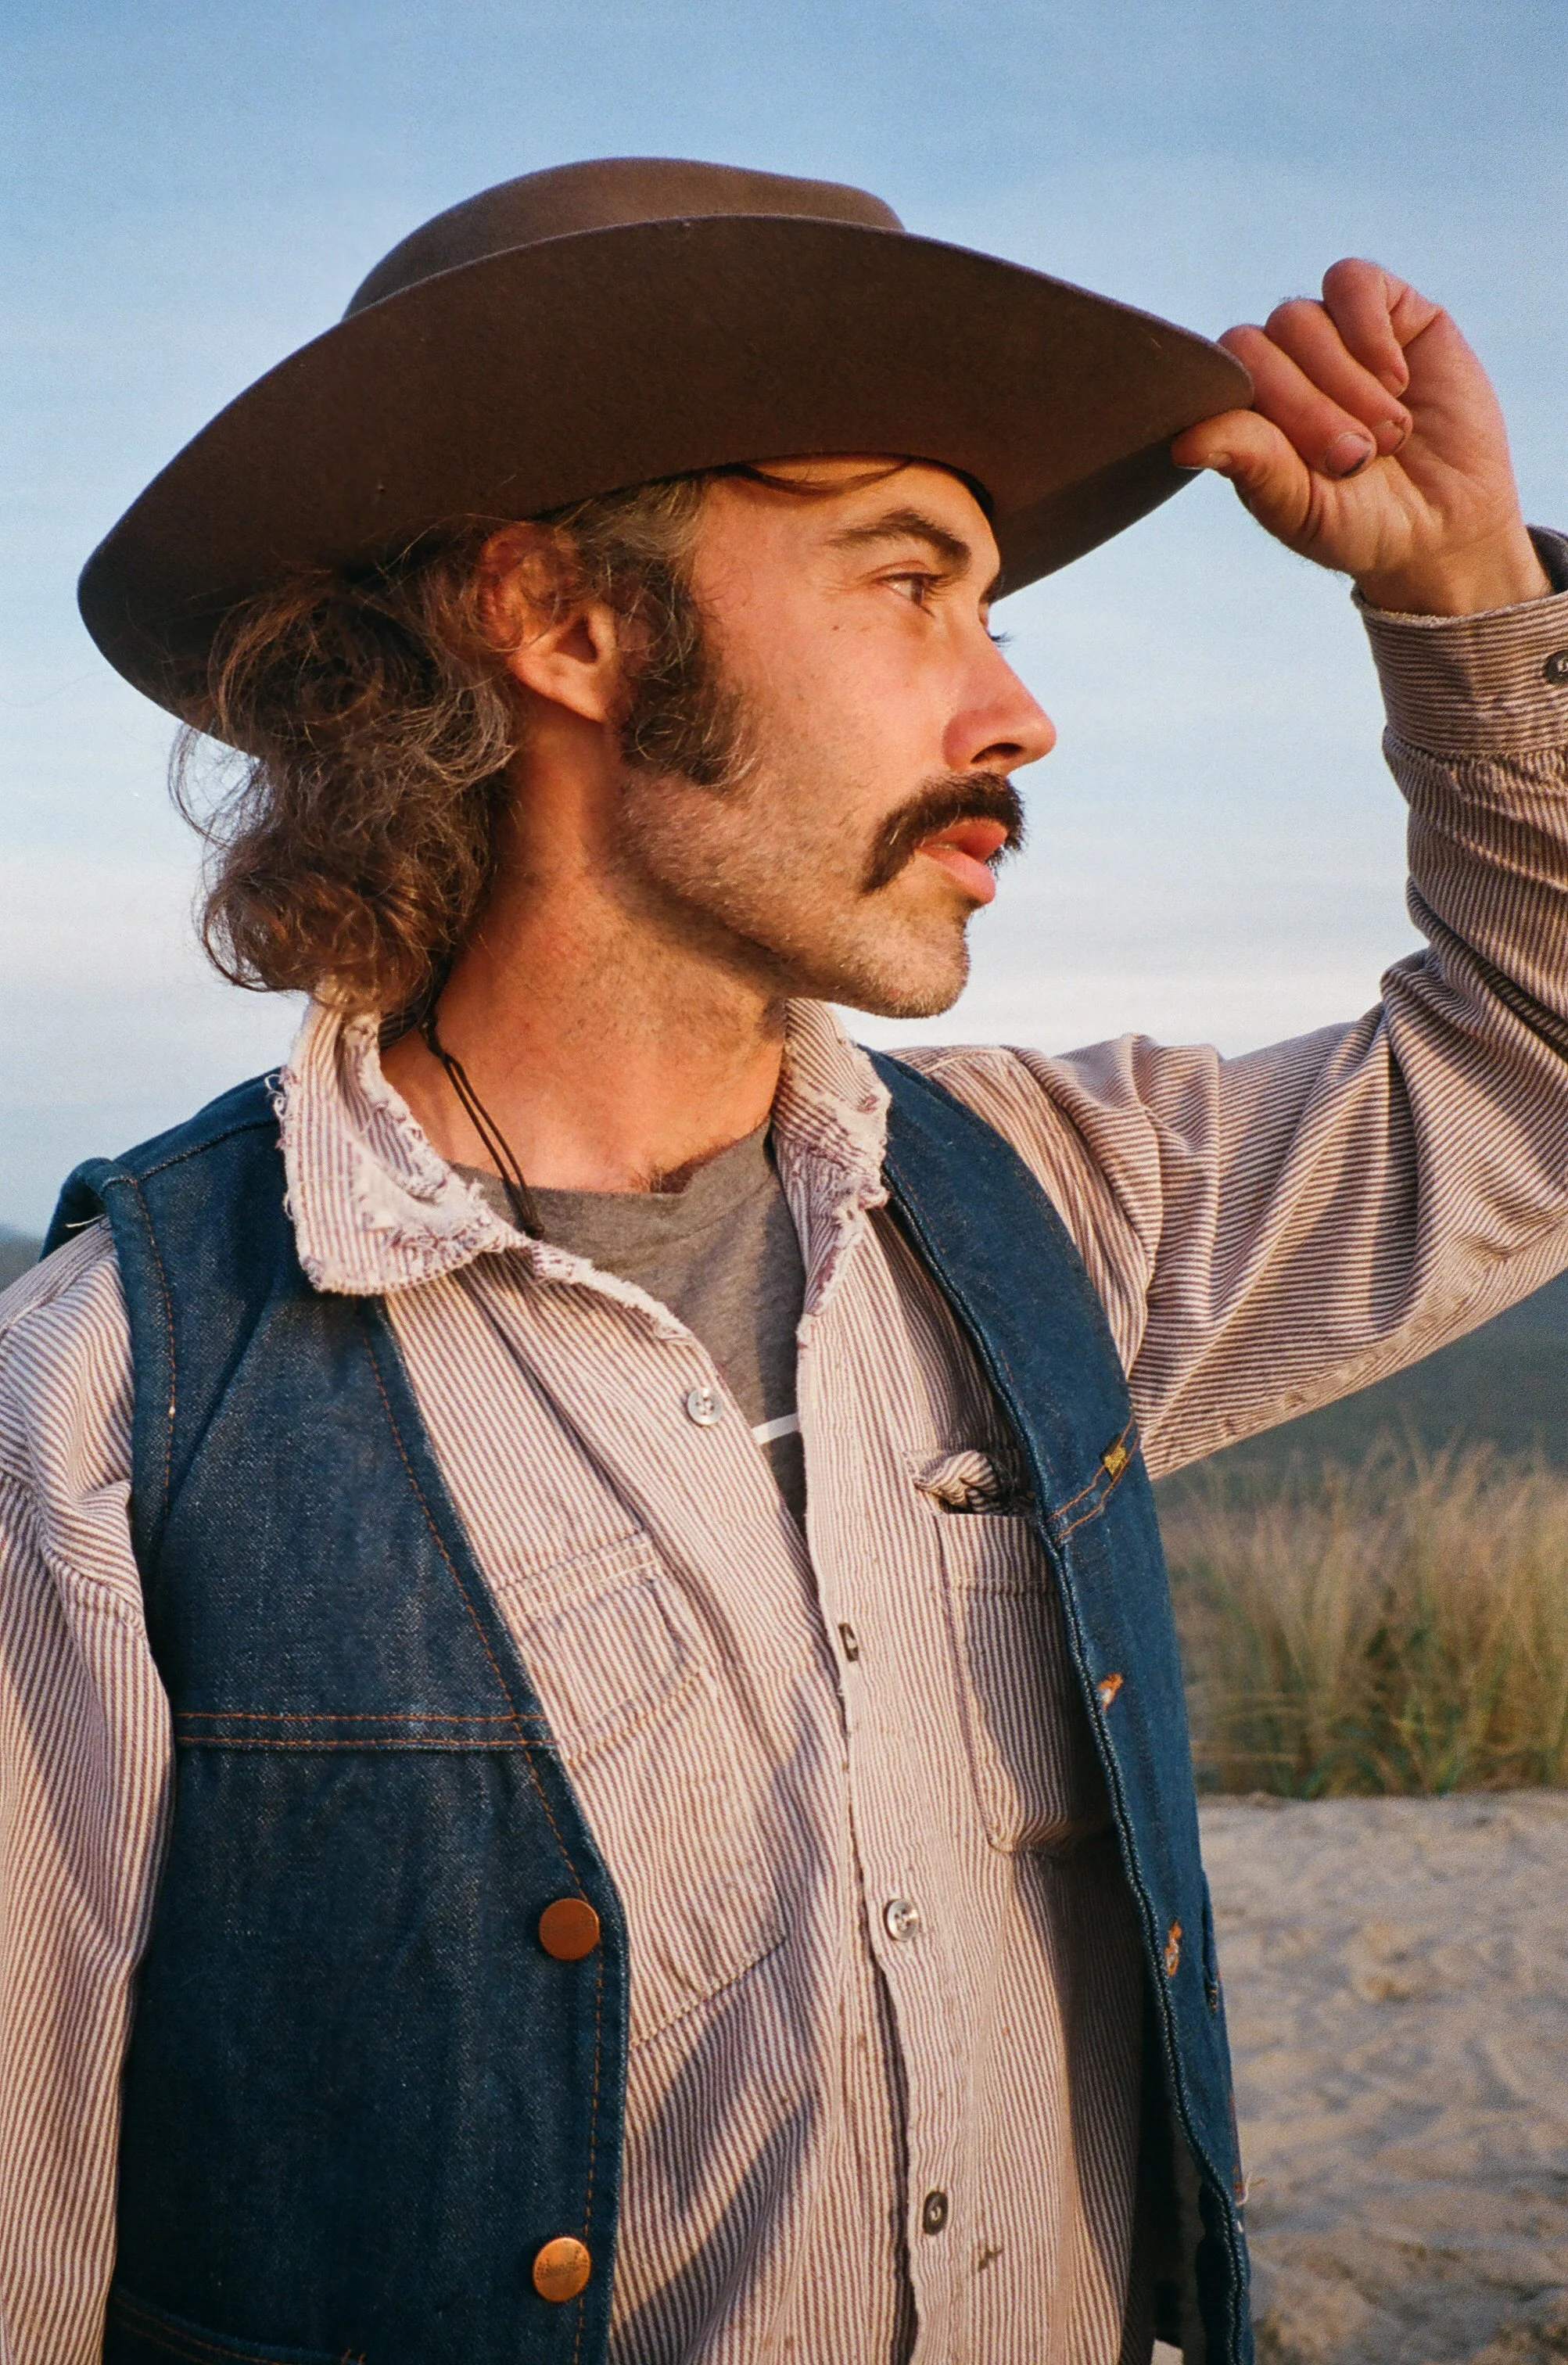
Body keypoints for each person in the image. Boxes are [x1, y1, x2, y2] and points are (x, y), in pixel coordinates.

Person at [2, 156, 1566, 2365]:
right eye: (911, 587)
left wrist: (1461, 605)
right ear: (563, 627)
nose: (1011, 713)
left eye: (993, 608)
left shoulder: (1052, 1206)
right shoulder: (99, 1408)